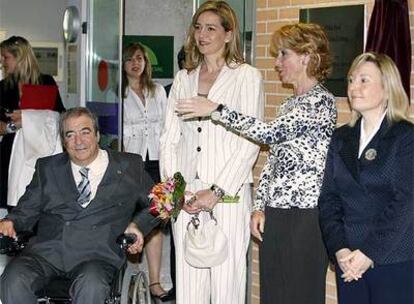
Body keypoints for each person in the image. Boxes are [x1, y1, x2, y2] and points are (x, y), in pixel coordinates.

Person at [176, 23, 336, 304]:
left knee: (300, 295)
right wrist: (260, 206)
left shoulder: (320, 102)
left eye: (283, 54)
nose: (276, 63)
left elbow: (268, 133)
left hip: (306, 217)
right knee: (273, 294)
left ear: (306, 57)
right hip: (278, 213)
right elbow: (272, 159)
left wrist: (216, 109)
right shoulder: (290, 104)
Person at [0, 107, 159, 304]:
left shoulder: (128, 166)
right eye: (70, 134)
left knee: (92, 285)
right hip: (48, 253)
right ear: (63, 141)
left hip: (97, 256)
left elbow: (160, 203)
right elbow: (26, 210)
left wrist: (137, 225)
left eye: (85, 132)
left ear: (97, 135)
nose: (79, 141)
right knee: (12, 279)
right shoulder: (47, 168)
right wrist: (11, 221)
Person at [160, 1, 264, 303]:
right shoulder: (183, 78)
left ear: (229, 34)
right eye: (198, 27)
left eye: (211, 28)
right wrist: (174, 189)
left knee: (226, 288)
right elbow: (169, 138)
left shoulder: (246, 76)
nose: (202, 35)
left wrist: (216, 191)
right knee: (189, 290)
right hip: (187, 195)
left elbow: (249, 141)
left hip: (228, 196)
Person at [318, 52, 414, 304]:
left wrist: (369, 253)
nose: (353, 88)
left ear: (387, 89)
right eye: (351, 80)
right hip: (348, 260)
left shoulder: (406, 137)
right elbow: (328, 198)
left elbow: (406, 202)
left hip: (393, 259)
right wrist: (340, 249)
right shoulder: (341, 138)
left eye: (363, 80)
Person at [121, 42, 170, 301]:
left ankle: (154, 281)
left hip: (158, 162)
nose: (135, 63)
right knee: (130, 219)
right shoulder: (120, 94)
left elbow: (167, 126)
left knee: (155, 222)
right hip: (131, 163)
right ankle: (124, 280)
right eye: (130, 59)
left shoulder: (158, 91)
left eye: (139, 58)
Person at [0, 36, 65, 210]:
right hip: (11, 151)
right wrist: (15, 125)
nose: (3, 63)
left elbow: (61, 116)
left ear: (19, 57)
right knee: (15, 203)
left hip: (42, 151)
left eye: (6, 57)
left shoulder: (46, 82)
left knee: (42, 202)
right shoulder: (3, 87)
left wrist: (28, 118)